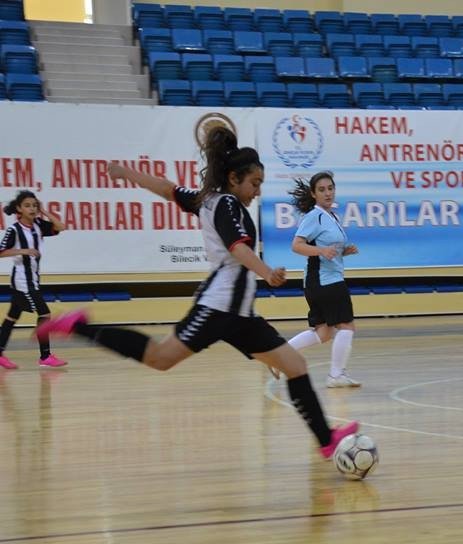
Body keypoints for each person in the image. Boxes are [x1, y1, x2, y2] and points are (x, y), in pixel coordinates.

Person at [36, 127, 358, 459]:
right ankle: (76, 326)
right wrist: (267, 273)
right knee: (160, 359)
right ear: (234, 179)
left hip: (241, 314)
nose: (257, 191)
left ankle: (326, 440)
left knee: (295, 365)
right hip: (218, 308)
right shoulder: (227, 205)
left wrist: (125, 173)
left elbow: (164, 188)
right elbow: (237, 249)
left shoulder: (206, 199)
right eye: (255, 184)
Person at [271, 171, 361, 389]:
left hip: (321, 281)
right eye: (322, 190)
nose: (328, 193)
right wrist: (321, 250)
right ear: (313, 194)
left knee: (324, 332)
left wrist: (342, 252)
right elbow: (296, 245)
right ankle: (336, 375)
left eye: (330, 188)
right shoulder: (314, 216)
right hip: (325, 280)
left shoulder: (331, 216)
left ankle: (278, 357)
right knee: (346, 326)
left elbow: (329, 250)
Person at [0, 190, 68, 369]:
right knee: (44, 314)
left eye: (34, 205)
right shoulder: (14, 230)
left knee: (11, 318)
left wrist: (44, 212)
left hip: (33, 280)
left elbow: (61, 227)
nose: (32, 208)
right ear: (19, 209)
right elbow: (1, 252)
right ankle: (45, 356)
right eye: (28, 205)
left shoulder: (38, 225)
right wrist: (23, 251)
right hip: (23, 282)